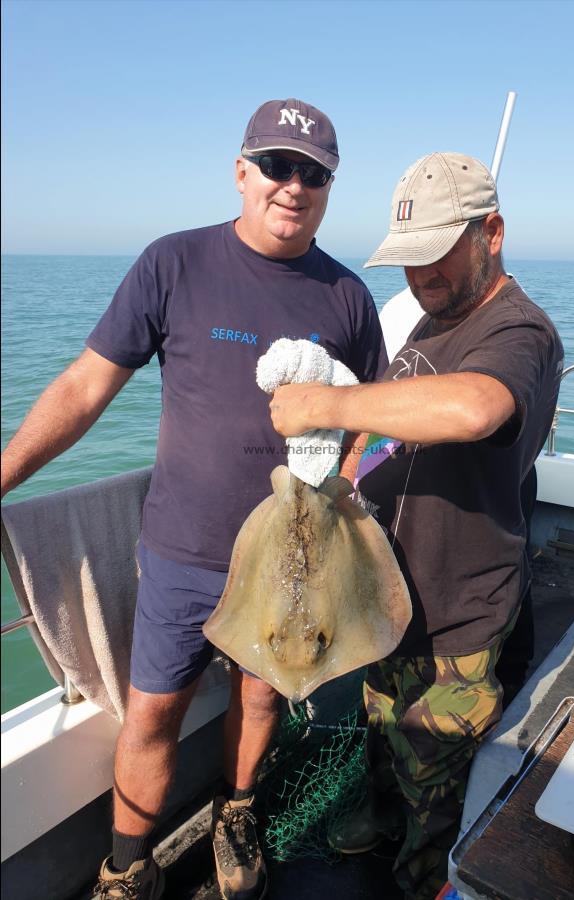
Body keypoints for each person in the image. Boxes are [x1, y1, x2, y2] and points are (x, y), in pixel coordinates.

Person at [0, 98, 387, 900]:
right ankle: (124, 864)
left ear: (328, 187)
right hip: (182, 550)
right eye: (277, 165)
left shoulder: (347, 296)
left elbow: (370, 420)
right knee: (150, 716)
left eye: (313, 173)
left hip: (296, 557)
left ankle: (236, 812)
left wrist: (346, 498)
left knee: (258, 700)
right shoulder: (172, 263)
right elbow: (84, 387)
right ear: (241, 172)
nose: (293, 185)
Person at [269, 152, 564, 900]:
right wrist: (341, 478)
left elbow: (471, 409)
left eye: (435, 255)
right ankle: (374, 822)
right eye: (408, 260)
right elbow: (386, 419)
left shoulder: (517, 330)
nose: (421, 277)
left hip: (455, 612)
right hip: (387, 596)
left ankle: (422, 879)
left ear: (490, 232)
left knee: (435, 777)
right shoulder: (432, 321)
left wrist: (323, 406)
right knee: (381, 732)